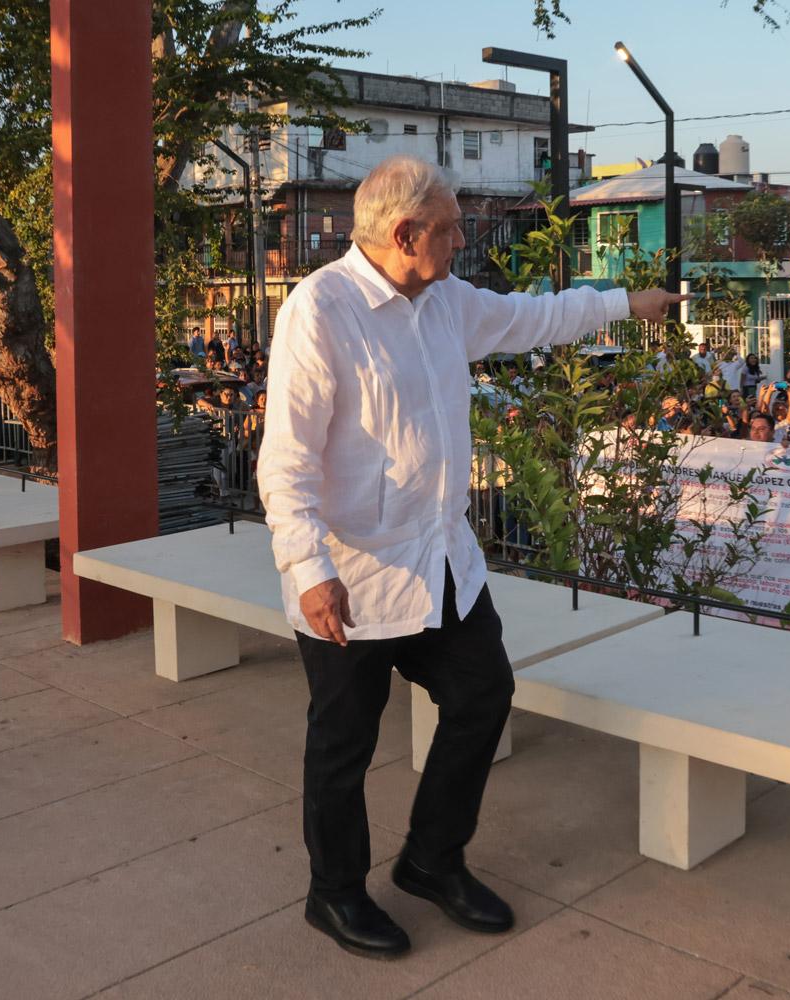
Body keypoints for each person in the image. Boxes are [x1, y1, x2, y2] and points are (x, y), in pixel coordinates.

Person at [256, 154, 683, 959]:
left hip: (443, 562)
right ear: (406, 234)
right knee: (342, 745)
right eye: (450, 229)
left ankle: (429, 860)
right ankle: (335, 893)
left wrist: (628, 303)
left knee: (483, 695)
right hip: (354, 575)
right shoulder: (322, 311)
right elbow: (286, 460)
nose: (461, 241)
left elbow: (534, 317)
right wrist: (306, 568)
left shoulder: (446, 301)